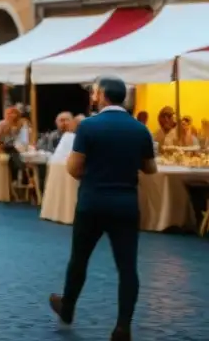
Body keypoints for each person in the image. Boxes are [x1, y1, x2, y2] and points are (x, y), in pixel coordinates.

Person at [49, 76, 157, 341]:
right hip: (125, 204)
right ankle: (123, 326)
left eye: (94, 93)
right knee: (127, 267)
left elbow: (73, 168)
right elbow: (150, 168)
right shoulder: (140, 129)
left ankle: (68, 308)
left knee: (80, 259)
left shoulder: (88, 126)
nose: (92, 96)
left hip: (92, 202)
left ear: (102, 96)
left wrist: (95, 173)